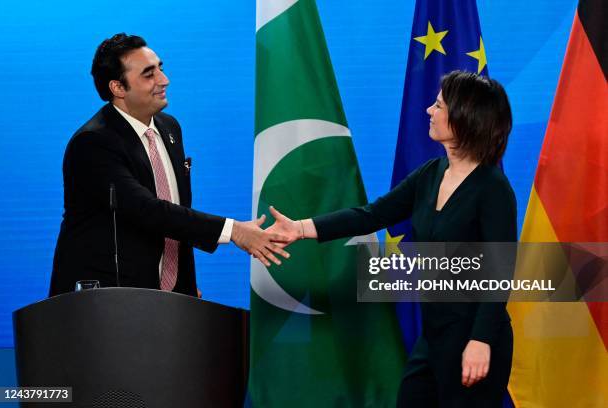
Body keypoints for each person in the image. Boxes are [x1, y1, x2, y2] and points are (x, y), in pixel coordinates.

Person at [266, 70, 516, 407]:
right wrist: (301, 228)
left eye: (438, 105)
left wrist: (481, 340)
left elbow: (500, 272)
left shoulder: (493, 189)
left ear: (465, 117)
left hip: (475, 337)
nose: (429, 110)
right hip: (434, 336)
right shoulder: (431, 173)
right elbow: (373, 214)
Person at [50, 33, 288, 297]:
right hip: (105, 300)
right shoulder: (94, 142)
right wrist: (234, 231)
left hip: (166, 300)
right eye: (149, 74)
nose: (164, 80)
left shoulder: (169, 127)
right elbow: (148, 210)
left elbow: (176, 210)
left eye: (160, 69)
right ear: (118, 88)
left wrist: (181, 284)